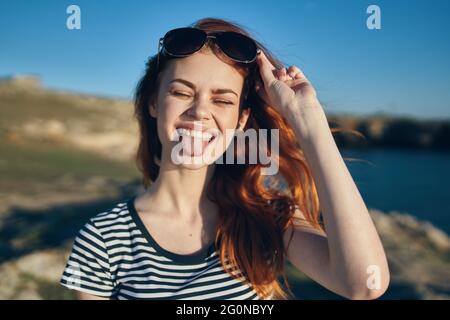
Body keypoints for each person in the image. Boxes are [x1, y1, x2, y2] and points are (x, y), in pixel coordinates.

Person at [60, 17, 390, 300]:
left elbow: (364, 283)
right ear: (153, 104)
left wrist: (307, 118)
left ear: (242, 120)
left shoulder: (268, 214)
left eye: (222, 100)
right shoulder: (101, 237)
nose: (200, 111)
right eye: (181, 92)